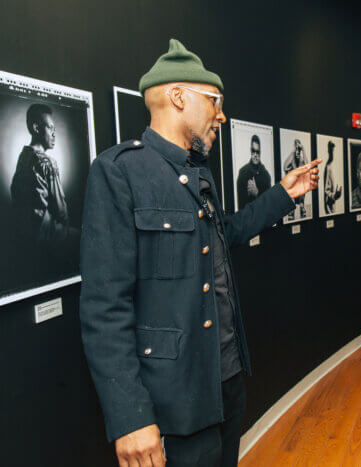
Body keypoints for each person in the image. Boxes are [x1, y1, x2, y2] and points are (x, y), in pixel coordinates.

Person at [79, 39, 320, 467]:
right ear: (177, 97)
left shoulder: (196, 174)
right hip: (172, 402)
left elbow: (227, 231)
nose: (221, 116)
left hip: (223, 385)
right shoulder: (120, 174)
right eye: (214, 102)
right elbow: (104, 308)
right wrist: (130, 417)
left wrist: (285, 193)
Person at [11, 103, 77, 251]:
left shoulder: (24, 157)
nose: (54, 134)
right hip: (46, 234)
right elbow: (61, 211)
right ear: (36, 128)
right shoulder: (46, 162)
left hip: (25, 236)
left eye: (55, 129)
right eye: (50, 128)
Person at [236, 134, 271, 210]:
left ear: (260, 152)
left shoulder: (265, 175)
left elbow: (269, 204)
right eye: (253, 151)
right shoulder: (243, 172)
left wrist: (257, 193)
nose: (255, 155)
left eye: (257, 152)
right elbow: (240, 206)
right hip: (248, 219)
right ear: (250, 150)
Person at [283, 138, 309, 219]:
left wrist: (303, 150)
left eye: (299, 150)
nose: (298, 152)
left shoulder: (301, 161)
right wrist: (294, 151)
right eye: (296, 149)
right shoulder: (292, 160)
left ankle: (302, 207)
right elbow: (285, 167)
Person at [323, 140, 342, 214]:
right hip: (330, 210)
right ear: (328, 151)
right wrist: (335, 196)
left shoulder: (334, 166)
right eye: (331, 151)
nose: (332, 153)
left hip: (334, 209)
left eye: (333, 151)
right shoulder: (328, 167)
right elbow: (326, 193)